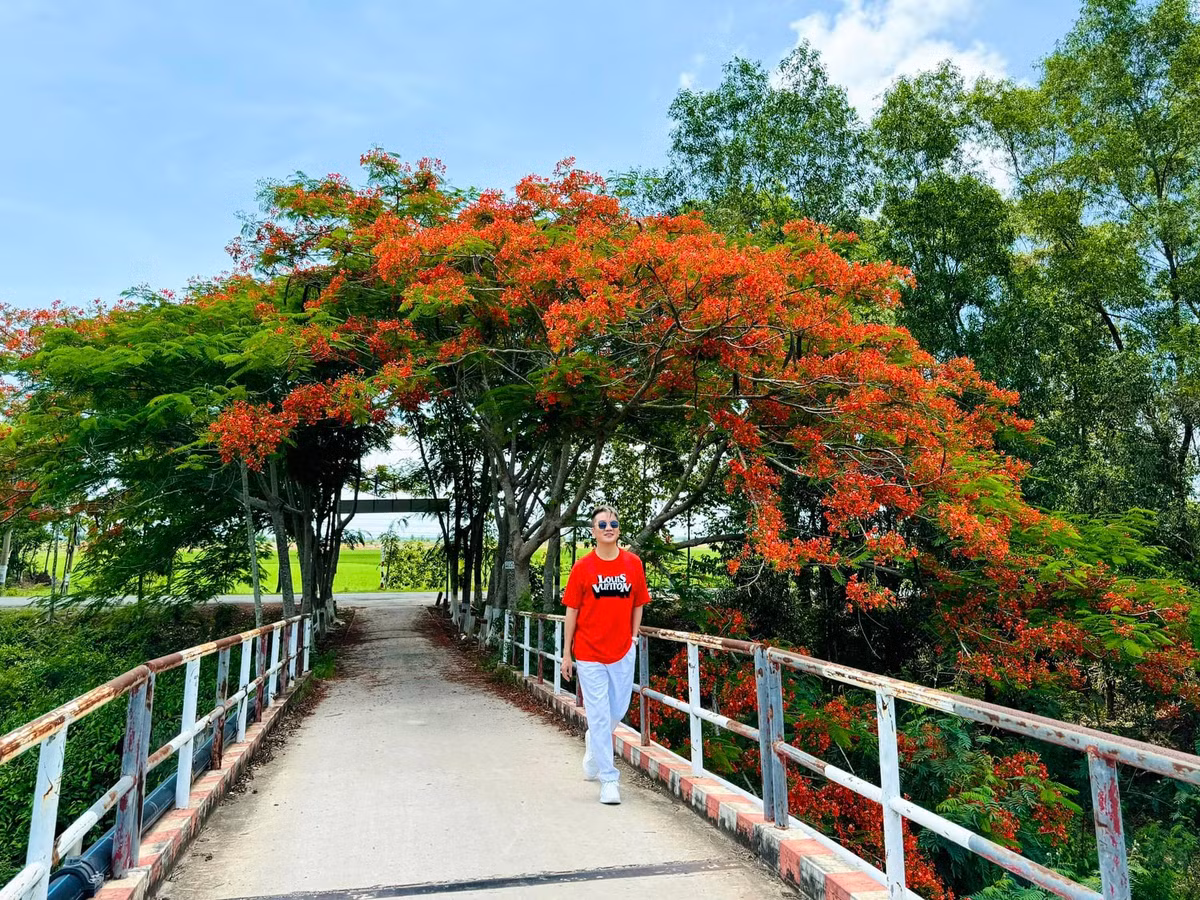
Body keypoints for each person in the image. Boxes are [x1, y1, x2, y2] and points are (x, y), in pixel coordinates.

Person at [560, 504, 650, 805]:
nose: (608, 527)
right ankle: (609, 780)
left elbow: (638, 601)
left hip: (622, 649)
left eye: (613, 523)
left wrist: (634, 636)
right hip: (588, 652)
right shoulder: (582, 568)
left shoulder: (633, 564)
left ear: (619, 529)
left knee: (618, 710)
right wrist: (566, 654)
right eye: (602, 524)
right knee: (598, 716)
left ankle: (593, 742)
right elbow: (571, 611)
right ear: (593, 531)